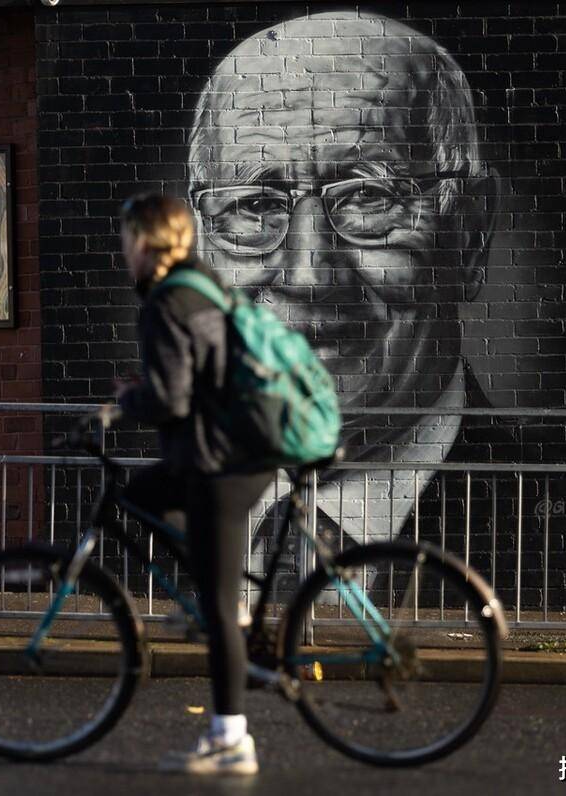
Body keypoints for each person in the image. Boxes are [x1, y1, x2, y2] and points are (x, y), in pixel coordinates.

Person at [186, 10, 502, 547]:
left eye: (369, 196)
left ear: (468, 235)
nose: (310, 276)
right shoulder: (131, 501)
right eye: (255, 205)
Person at [114, 193, 274, 776]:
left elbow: (172, 397)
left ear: (147, 242)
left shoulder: (166, 301)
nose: (123, 251)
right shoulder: (205, 285)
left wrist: (126, 400)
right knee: (138, 494)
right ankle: (214, 594)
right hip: (235, 453)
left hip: (220, 465)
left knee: (221, 608)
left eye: (128, 239)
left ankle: (232, 739)